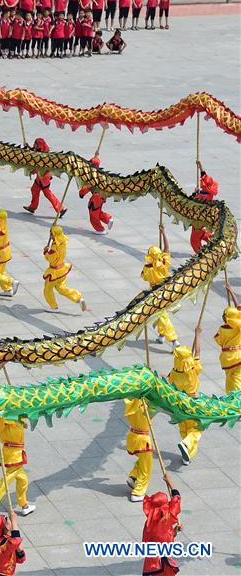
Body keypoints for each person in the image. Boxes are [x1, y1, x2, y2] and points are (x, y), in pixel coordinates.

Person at [0, 417, 36, 524]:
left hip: (15, 453)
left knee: (23, 480)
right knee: (6, 482)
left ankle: (24, 505)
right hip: (13, 455)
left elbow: (20, 423)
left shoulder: (15, 417)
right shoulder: (6, 418)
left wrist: (23, 423)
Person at [168, 334, 202, 465]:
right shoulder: (193, 368)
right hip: (192, 401)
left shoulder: (174, 372)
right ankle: (186, 444)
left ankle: (187, 454)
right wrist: (198, 334)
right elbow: (198, 351)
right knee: (196, 428)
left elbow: (167, 381)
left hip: (178, 404)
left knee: (184, 429)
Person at [142, 225, 178, 347]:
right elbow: (167, 248)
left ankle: (174, 341)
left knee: (162, 316)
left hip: (156, 294)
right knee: (159, 315)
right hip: (167, 291)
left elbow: (145, 277)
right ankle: (162, 335)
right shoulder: (163, 263)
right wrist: (163, 233)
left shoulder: (147, 269)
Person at [141, 474, 182, 576]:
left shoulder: (149, 524)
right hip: (163, 563)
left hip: (152, 563)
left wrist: (175, 530)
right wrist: (170, 481)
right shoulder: (169, 517)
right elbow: (177, 498)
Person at [42, 225, 88, 313]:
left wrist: (46, 252)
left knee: (47, 289)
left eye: (51, 234)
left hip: (54, 272)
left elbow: (50, 258)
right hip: (62, 269)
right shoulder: (62, 242)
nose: (50, 236)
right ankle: (78, 298)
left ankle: (53, 306)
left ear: (54, 235)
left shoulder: (54, 247)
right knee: (61, 288)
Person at [23, 138, 66, 217]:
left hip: (44, 177)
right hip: (40, 177)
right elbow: (34, 152)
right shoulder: (40, 150)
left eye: (35, 144)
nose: (34, 145)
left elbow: (40, 166)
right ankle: (32, 207)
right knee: (34, 189)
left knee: (48, 194)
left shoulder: (44, 156)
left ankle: (61, 209)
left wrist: (33, 171)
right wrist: (28, 147)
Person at [77, 155, 114, 234]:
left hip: (97, 196)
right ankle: (108, 219)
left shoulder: (93, 176)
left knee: (93, 214)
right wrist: (96, 156)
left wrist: (81, 193)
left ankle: (100, 230)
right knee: (97, 211)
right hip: (102, 195)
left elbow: (88, 187)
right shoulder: (100, 174)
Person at [125, 397, 153, 502]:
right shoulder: (145, 403)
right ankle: (138, 491)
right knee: (146, 467)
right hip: (143, 439)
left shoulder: (130, 400)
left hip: (133, 436)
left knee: (143, 461)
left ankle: (134, 476)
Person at [190, 161, 218, 253]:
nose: (201, 181)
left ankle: (201, 256)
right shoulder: (207, 193)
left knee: (194, 240)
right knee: (203, 235)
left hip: (199, 221)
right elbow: (204, 176)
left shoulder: (205, 195)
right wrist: (200, 166)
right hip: (202, 220)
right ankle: (216, 242)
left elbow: (193, 202)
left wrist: (195, 194)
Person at [214, 300, 241, 393]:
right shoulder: (239, 327)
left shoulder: (221, 329)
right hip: (238, 357)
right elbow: (239, 310)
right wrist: (232, 294)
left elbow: (219, 341)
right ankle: (238, 398)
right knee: (237, 378)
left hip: (227, 359)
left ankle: (231, 396)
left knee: (229, 378)